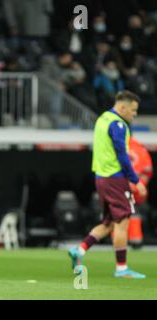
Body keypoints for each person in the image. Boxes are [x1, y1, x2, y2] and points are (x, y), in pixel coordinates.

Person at [68, 90, 147, 279]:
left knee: (109, 222)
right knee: (123, 222)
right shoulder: (119, 124)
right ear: (123, 107)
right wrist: (136, 181)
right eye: (133, 110)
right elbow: (122, 156)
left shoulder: (103, 118)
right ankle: (122, 268)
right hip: (115, 178)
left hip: (102, 178)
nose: (134, 114)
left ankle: (80, 250)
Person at [127, 136, 153, 248]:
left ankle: (118, 239)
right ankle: (136, 239)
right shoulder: (142, 150)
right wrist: (140, 185)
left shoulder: (119, 147)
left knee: (118, 214)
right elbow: (148, 171)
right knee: (135, 213)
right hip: (138, 186)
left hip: (121, 186)